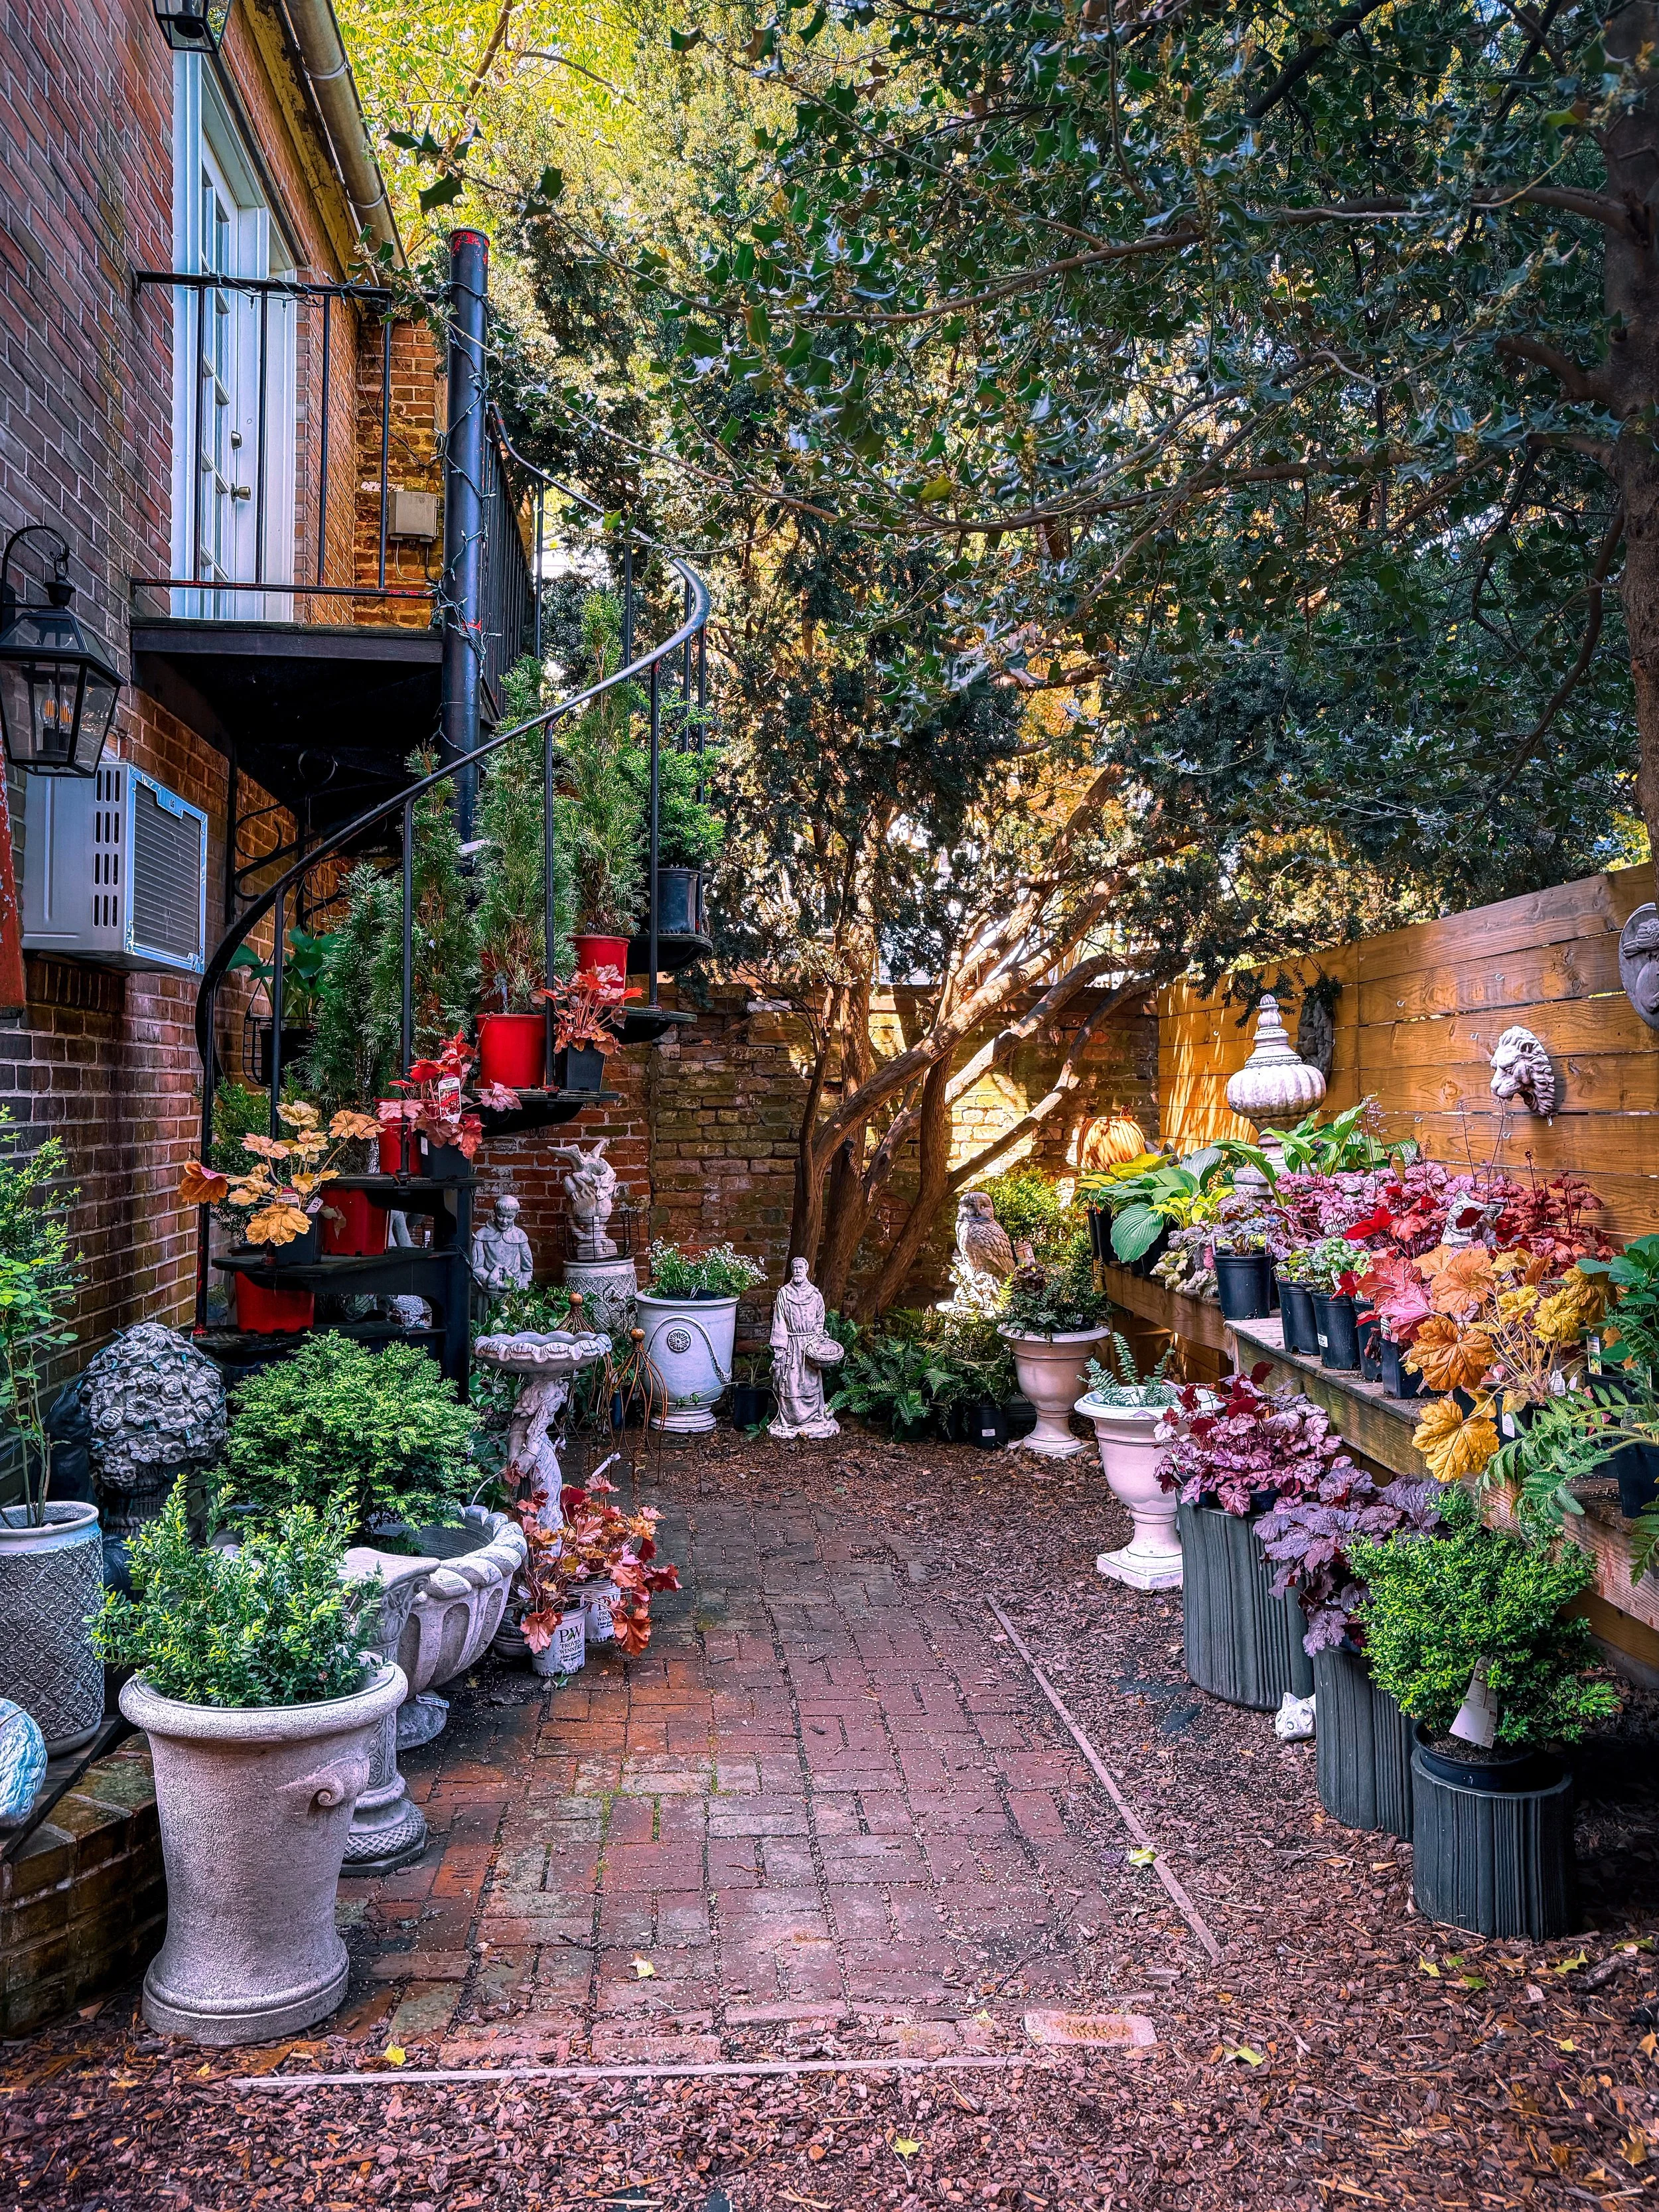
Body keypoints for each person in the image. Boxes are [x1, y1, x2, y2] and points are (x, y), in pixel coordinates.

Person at [767, 1257, 842, 1440]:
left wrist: (817, 1342)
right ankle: (792, 1419)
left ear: (807, 1269)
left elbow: (819, 1320)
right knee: (790, 1384)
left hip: (809, 1346)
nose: (797, 1270)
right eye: (794, 1268)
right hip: (792, 1346)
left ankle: (814, 1416)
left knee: (810, 1381)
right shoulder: (784, 1293)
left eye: (801, 1267)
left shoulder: (815, 1295)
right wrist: (780, 1349)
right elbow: (779, 1322)